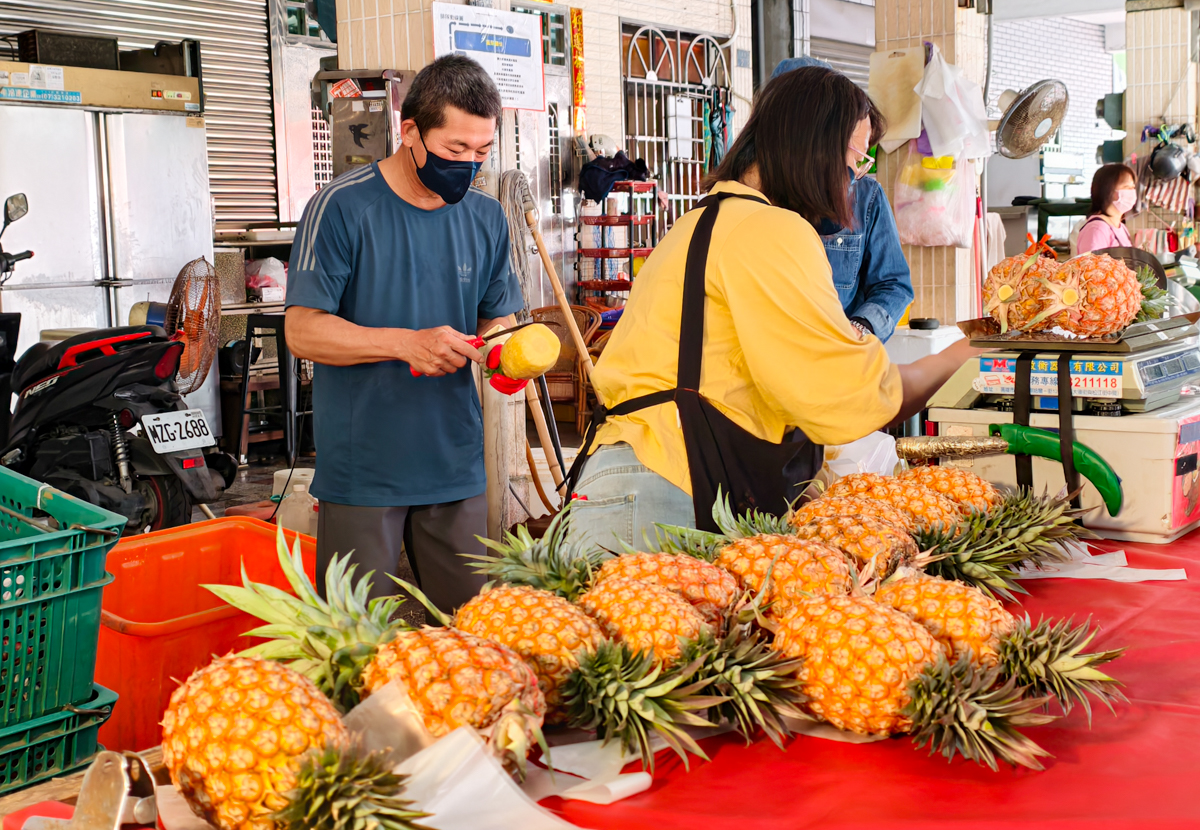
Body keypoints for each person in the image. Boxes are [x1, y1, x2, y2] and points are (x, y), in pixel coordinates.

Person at [565, 66, 978, 549]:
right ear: (814, 148)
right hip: (666, 488)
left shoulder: (700, 220)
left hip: (624, 479)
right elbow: (845, 393)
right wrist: (961, 355)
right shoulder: (772, 231)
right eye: (856, 159)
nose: (854, 179)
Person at [285, 55, 525, 612]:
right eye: (454, 150)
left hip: (456, 465)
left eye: (482, 152)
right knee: (357, 645)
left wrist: (505, 347)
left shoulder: (486, 219)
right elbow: (303, 332)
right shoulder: (341, 208)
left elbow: (497, 316)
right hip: (365, 472)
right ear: (411, 131)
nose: (469, 165)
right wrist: (404, 343)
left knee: (474, 636)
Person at [771, 57, 913, 342]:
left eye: (861, 157)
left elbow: (893, 283)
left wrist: (860, 328)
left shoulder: (865, 196)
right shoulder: (752, 201)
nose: (853, 170)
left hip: (838, 365)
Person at [1075, 163, 1138, 255]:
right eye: (1126, 187)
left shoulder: (1121, 227)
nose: (1132, 192)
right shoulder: (1096, 229)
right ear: (1107, 190)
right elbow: (1090, 267)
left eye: (1133, 187)